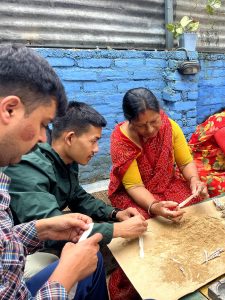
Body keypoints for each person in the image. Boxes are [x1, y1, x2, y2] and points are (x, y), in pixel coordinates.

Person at [0, 44, 108, 299]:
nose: (41, 139)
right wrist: (66, 275)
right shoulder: (25, 164)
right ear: (9, 109)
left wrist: (40, 229)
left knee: (93, 263)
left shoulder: (65, 164)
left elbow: (4, 242)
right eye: (42, 125)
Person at [5, 101, 148, 251]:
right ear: (70, 138)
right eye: (93, 141)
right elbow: (50, 227)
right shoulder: (27, 166)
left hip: (47, 220)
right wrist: (119, 229)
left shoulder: (67, 161)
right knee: (93, 245)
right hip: (15, 247)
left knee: (92, 224)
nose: (97, 149)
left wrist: (116, 214)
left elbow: (77, 197)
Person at [108, 87, 207, 300]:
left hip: (165, 183)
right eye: (143, 125)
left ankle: (184, 262)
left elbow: (186, 162)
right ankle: (137, 284)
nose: (152, 130)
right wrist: (154, 206)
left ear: (160, 112)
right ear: (130, 121)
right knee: (141, 224)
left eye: (154, 121)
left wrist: (194, 180)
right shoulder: (120, 140)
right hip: (134, 194)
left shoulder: (170, 126)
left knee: (194, 201)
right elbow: (134, 186)